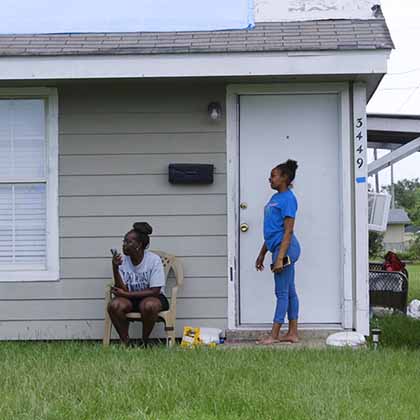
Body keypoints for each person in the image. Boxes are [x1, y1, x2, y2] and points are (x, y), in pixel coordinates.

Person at [255, 159, 301, 345]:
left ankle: (274, 335)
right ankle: (292, 333)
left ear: (285, 178)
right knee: (289, 292)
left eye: (273, 175)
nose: (270, 179)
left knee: (281, 293)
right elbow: (272, 230)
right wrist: (262, 253)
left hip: (286, 249)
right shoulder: (275, 198)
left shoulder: (289, 199)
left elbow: (288, 231)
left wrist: (280, 258)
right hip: (277, 248)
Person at [107, 222, 169, 346]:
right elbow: (122, 289)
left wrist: (126, 294)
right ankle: (126, 342)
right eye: (124, 241)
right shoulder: (123, 261)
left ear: (139, 245)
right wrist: (115, 267)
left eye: (128, 242)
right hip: (129, 299)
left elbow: (155, 291)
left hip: (153, 298)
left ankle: (144, 342)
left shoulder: (153, 260)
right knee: (114, 305)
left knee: (149, 305)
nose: (124, 245)